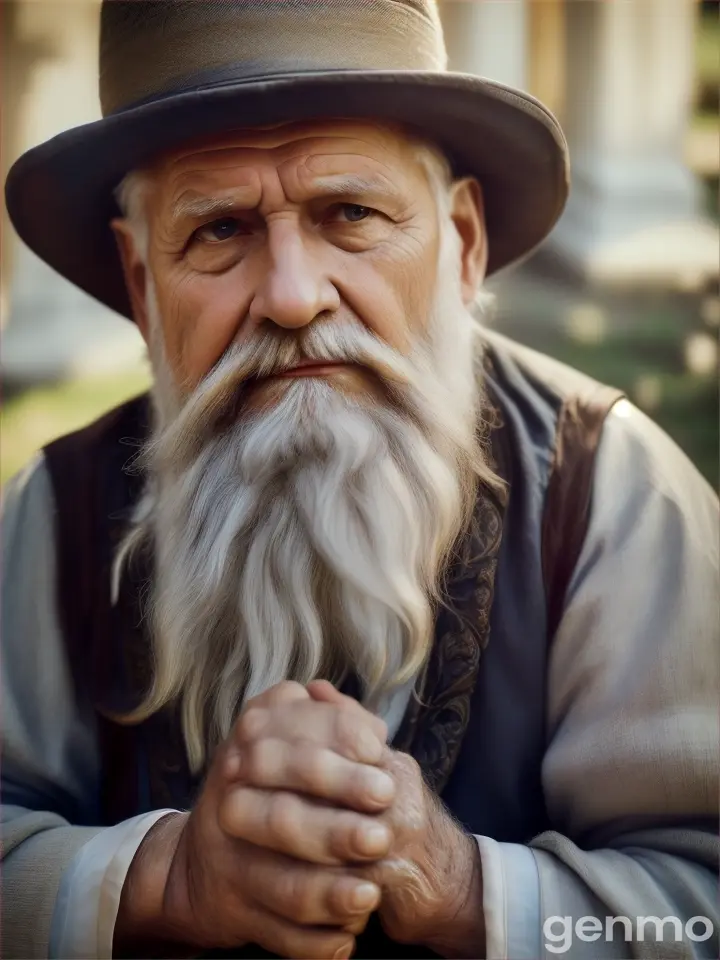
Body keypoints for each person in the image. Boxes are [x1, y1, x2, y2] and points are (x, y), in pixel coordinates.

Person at [2, 1, 718, 958]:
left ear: (462, 243)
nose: (294, 296)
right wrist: (159, 883)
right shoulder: (52, 515)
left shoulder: (612, 496)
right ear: (141, 285)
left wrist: (466, 887)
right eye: (218, 229)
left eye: (350, 213)